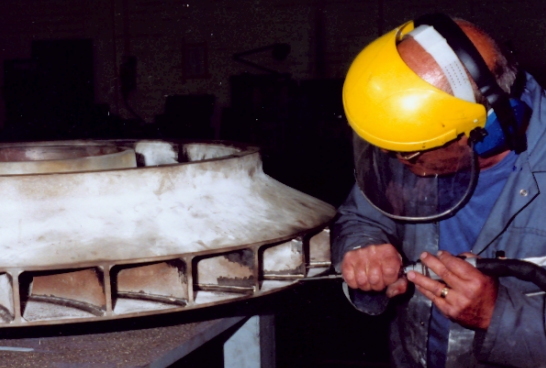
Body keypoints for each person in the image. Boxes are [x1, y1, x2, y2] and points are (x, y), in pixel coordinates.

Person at [332, 13, 546, 368]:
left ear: (487, 131)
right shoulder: (413, 139)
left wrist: (498, 316)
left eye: (409, 151)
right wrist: (364, 248)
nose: (393, 160)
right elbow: (359, 216)